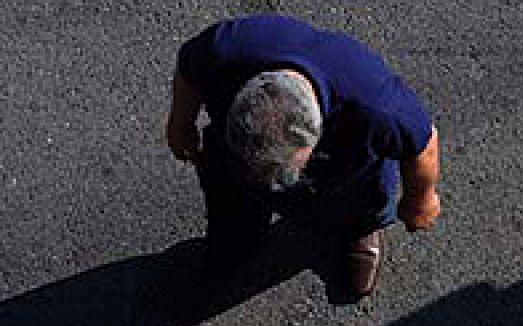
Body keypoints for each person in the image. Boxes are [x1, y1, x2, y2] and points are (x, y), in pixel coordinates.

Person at [166, 14, 442, 298]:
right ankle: (235, 243)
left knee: (358, 204)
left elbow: (423, 144)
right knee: (231, 204)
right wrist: (180, 123)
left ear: (317, 130)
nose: (268, 185)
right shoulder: (226, 48)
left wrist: (421, 199)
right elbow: (190, 68)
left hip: (346, 176)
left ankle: (358, 233)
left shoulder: (379, 109)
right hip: (230, 159)